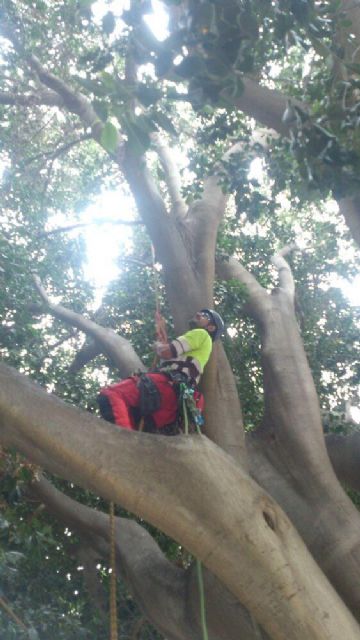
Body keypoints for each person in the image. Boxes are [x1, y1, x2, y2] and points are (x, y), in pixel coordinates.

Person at [98, 309, 224, 434]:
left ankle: (125, 442)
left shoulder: (201, 333)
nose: (198, 314)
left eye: (205, 315)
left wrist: (157, 346)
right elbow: (171, 357)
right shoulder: (201, 346)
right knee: (134, 420)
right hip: (173, 404)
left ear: (211, 327)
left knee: (112, 393)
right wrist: (162, 331)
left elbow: (166, 352)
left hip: (168, 386)